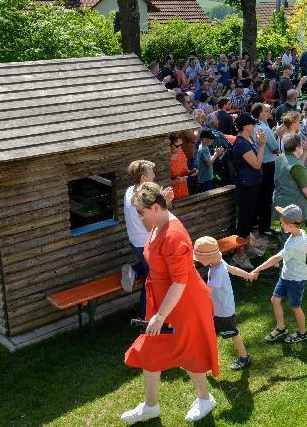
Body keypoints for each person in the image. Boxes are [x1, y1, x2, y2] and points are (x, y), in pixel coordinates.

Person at [122, 183, 219, 424]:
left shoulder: (173, 235)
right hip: (165, 303)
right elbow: (164, 211)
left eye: (142, 212)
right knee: (150, 350)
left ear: (155, 208)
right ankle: (151, 406)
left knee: (190, 351)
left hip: (184, 305)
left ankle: (205, 399)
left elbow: (180, 282)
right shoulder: (159, 221)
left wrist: (160, 316)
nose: (139, 217)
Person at [252, 204, 307, 344]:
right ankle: (281, 328)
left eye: (282, 223)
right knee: (275, 300)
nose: (280, 225)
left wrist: (258, 269)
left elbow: (276, 258)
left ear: (291, 226)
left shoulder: (294, 243)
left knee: (295, 307)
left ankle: (303, 333)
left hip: (296, 280)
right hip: (286, 276)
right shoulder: (301, 232)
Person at [120, 161, 175, 321]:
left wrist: (160, 202)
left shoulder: (130, 190)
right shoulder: (145, 198)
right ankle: (145, 318)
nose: (154, 176)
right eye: (152, 173)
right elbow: (154, 224)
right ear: (144, 177)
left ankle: (134, 270)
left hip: (135, 241)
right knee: (152, 278)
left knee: (148, 270)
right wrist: (164, 204)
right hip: (147, 244)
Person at [193, 236, 256, 371]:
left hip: (222, 311)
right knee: (208, 332)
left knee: (233, 333)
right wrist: (249, 275)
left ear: (208, 258)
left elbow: (206, 292)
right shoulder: (219, 262)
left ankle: (244, 357)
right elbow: (234, 269)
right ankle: (204, 356)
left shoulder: (218, 272)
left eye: (200, 260)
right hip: (218, 308)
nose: (198, 262)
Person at [232, 112, 267, 270]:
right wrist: (261, 146)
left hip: (253, 183)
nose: (254, 126)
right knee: (245, 220)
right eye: (252, 124)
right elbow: (257, 164)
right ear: (245, 126)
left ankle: (247, 245)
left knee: (250, 216)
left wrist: (258, 144)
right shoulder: (241, 144)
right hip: (246, 185)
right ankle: (239, 255)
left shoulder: (248, 139)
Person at [273, 133, 307, 226]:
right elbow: (306, 190)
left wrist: (306, 152)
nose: (302, 147)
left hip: (281, 202)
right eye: (301, 145)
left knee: (286, 230)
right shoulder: (296, 166)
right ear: (297, 147)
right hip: (294, 207)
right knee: (294, 235)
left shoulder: (281, 158)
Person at [251, 103, 280, 237]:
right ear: (259, 114)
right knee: (266, 197)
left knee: (258, 195)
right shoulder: (263, 128)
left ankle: (255, 222)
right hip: (267, 164)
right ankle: (265, 227)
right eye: (266, 111)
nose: (269, 113)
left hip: (255, 163)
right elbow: (274, 147)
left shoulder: (252, 127)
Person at [169, 132, 195, 200]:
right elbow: (162, 181)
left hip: (184, 190)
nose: (180, 148)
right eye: (177, 146)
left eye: (181, 145)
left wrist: (191, 172)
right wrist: (175, 181)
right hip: (172, 195)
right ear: (170, 145)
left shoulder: (181, 153)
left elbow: (183, 171)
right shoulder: (165, 160)